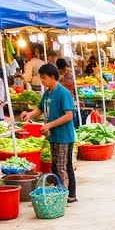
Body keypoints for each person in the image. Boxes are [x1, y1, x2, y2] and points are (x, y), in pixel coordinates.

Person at [20, 63, 78, 202]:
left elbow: (69, 115)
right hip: (54, 136)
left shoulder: (63, 93)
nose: (42, 81)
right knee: (59, 165)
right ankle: (68, 193)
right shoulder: (47, 93)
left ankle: (65, 195)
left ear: (53, 77)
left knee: (61, 166)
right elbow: (40, 108)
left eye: (44, 78)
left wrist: (49, 125)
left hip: (64, 136)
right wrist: (29, 115)